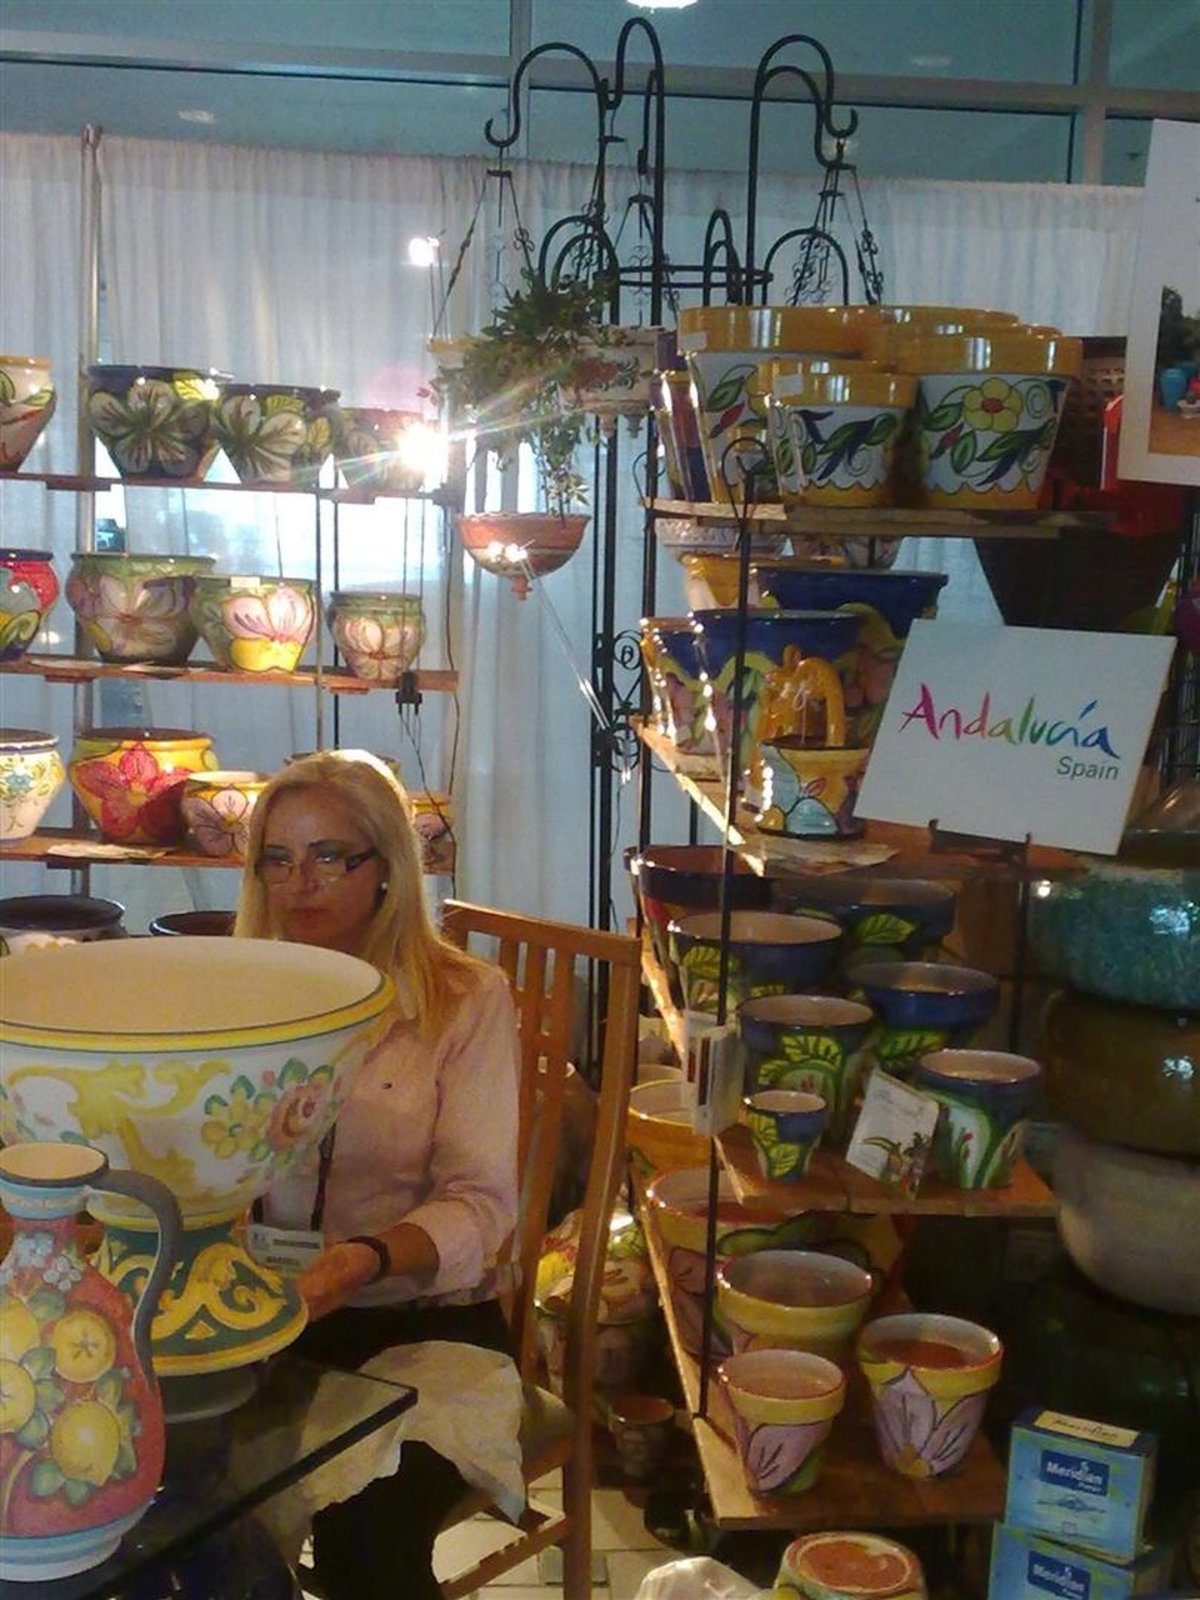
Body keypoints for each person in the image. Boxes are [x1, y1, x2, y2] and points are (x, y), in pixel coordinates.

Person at [234, 751, 520, 1600]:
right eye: (278, 859)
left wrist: (365, 1259)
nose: (300, 884)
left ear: (388, 866)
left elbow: (482, 1205)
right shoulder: (239, 995)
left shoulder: (464, 999)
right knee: (174, 1498)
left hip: (423, 1324)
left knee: (366, 1534)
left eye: (329, 856)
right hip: (269, 1318)